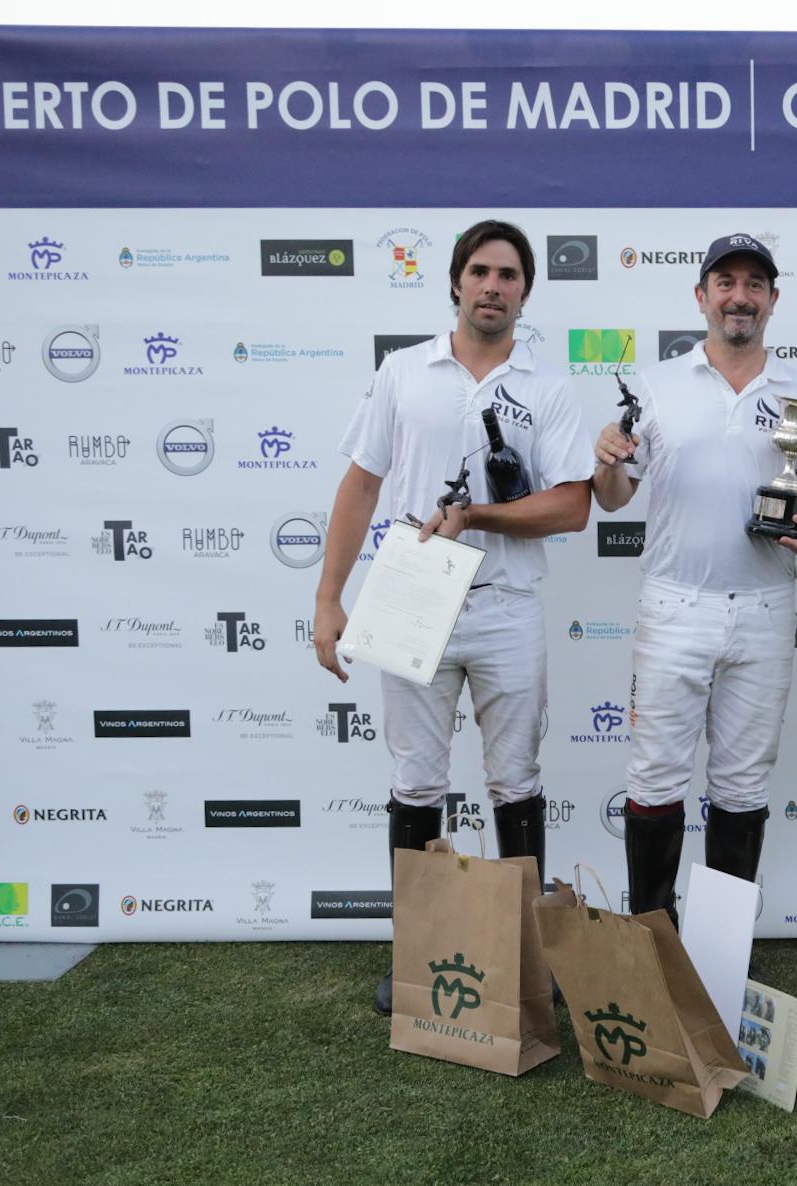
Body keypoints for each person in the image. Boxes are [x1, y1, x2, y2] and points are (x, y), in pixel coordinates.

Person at [313, 219, 594, 1015]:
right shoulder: (404, 371)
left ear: (525, 292)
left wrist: (476, 518)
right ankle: (420, 954)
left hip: (505, 606)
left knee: (516, 782)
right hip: (412, 597)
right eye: (480, 272)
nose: (493, 286)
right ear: (455, 283)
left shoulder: (548, 386)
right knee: (416, 781)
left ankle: (531, 957)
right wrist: (328, 597)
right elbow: (361, 487)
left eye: (509, 275)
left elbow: (573, 506)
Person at [591, 233, 797, 923]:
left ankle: (721, 949)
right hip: (674, 606)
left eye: (754, 284)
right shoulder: (655, 384)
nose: (739, 296)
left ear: (773, 301)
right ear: (701, 297)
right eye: (725, 283)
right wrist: (606, 460)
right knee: (655, 776)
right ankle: (651, 942)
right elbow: (611, 499)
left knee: (742, 782)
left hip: (764, 606)